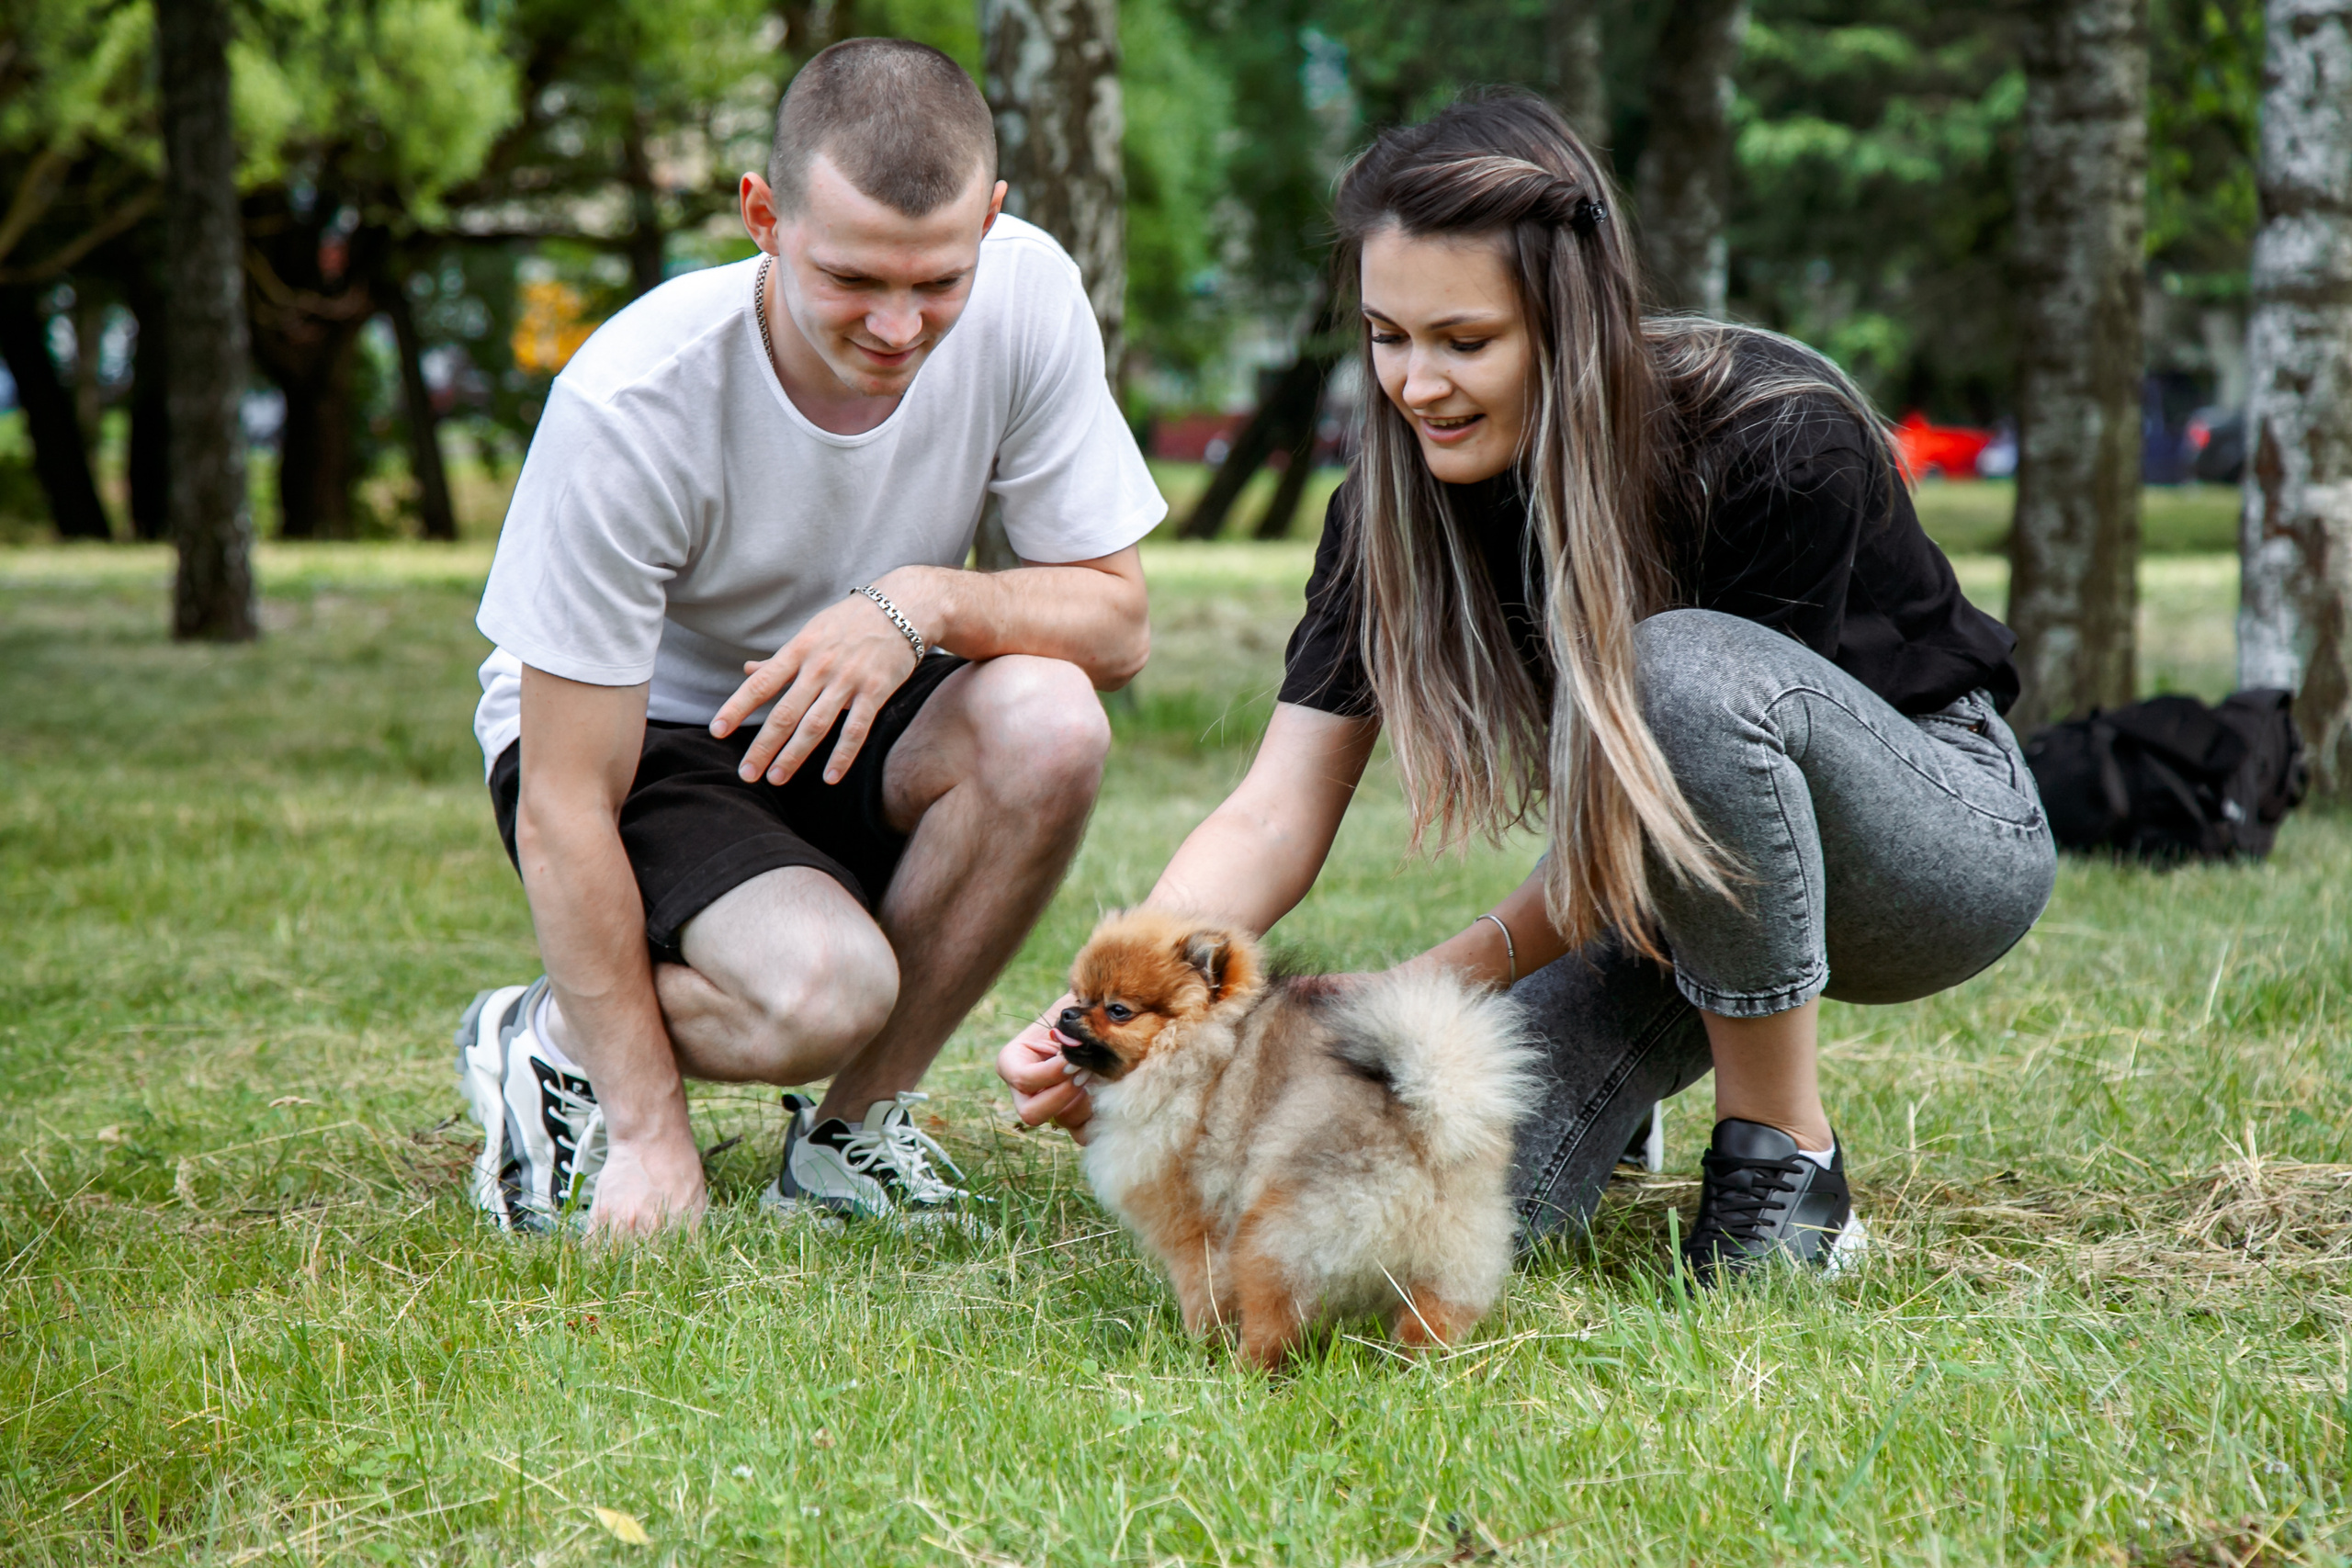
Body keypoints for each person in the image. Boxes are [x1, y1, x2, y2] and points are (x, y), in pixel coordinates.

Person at [998, 93, 2055, 1283]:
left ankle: (1787, 1163)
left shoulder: (1773, 438)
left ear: (1572, 322)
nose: (1416, 384)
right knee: (1376, 1228)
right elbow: (1276, 807)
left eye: (1464, 341)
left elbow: (1690, 788)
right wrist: (1137, 993)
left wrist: (1408, 988)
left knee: (1682, 672)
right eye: (1387, 336)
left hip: (1929, 851)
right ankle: (1629, 1088)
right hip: (1656, 899)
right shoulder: (1388, 509)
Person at [458, 38, 1164, 1236]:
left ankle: (851, 1138)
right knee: (818, 994)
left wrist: (921, 604)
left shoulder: (1029, 291)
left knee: (1052, 719)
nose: (900, 326)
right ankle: (553, 1042)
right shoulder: (632, 404)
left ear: (991, 223)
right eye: (853, 279)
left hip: (873, 700)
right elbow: (565, 798)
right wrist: (650, 1136)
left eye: (938, 281)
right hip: (660, 734)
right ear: (763, 215)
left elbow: (1116, 618)